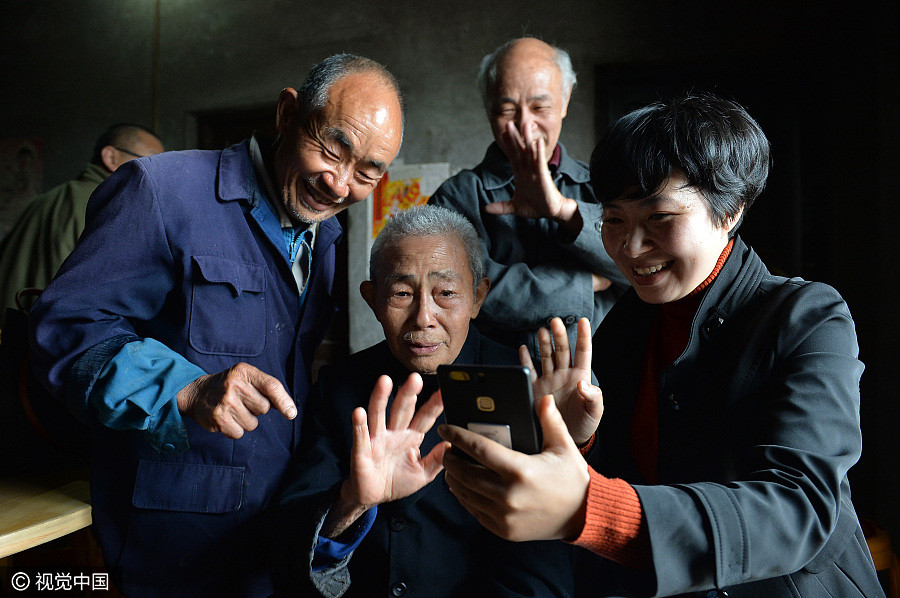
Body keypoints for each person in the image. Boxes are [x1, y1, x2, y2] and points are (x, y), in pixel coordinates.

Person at [439, 94, 885, 597]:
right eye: (614, 220)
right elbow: (633, 478)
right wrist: (582, 440)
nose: (630, 248)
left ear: (730, 210)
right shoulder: (627, 328)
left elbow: (799, 507)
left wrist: (592, 508)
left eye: (660, 218)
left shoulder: (806, 316)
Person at [28, 54, 404, 597]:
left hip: (267, 535)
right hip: (168, 543)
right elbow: (65, 329)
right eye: (332, 148)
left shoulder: (326, 238)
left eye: (367, 171)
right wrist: (185, 388)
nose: (339, 183)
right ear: (286, 113)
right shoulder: (160, 191)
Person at [275, 205, 585, 597]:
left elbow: (542, 565)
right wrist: (351, 501)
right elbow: (291, 532)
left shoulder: (526, 384)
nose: (424, 316)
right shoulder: (342, 385)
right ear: (373, 299)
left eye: (446, 293)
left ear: (477, 297)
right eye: (403, 293)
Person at [429, 37, 628, 363]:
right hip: (494, 385)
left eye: (539, 108)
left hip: (598, 386)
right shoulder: (457, 197)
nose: (524, 125)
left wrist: (565, 212)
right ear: (489, 109)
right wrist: (582, 284)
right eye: (507, 110)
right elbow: (467, 294)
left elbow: (638, 267)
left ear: (564, 100)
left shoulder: (604, 186)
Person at [0, 124, 163, 326]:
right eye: (150, 160)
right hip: (59, 344)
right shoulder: (113, 205)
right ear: (110, 157)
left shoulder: (44, 200)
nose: (156, 171)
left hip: (13, 340)